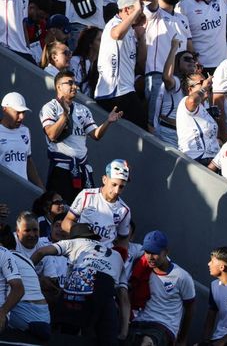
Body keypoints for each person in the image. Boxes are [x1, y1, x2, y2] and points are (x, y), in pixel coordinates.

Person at [41, 69, 121, 201]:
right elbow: (52, 135)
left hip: (82, 168)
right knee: (62, 209)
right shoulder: (50, 108)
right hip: (61, 168)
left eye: (76, 83)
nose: (75, 86)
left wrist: (108, 121)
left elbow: (95, 135)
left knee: (87, 209)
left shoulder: (83, 109)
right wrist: (64, 116)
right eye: (70, 83)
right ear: (59, 86)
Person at [126, 230, 196, 345]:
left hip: (163, 327)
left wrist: (182, 340)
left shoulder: (182, 276)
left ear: (166, 252)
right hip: (138, 322)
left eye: (155, 253)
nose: (150, 257)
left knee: (146, 342)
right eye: (147, 252)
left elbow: (190, 308)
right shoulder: (141, 271)